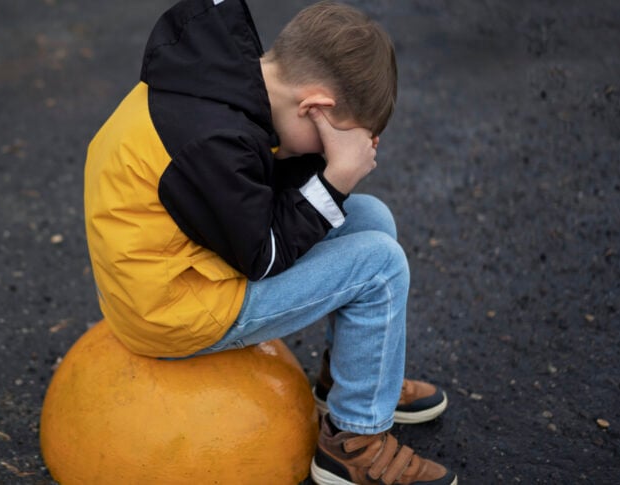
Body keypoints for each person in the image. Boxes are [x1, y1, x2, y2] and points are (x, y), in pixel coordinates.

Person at [83, 0, 457, 483]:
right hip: (169, 308)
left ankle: (351, 382)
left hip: (194, 258)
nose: (324, 154)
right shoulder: (212, 142)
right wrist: (336, 176)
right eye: (326, 141)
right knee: (380, 265)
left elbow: (257, 182)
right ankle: (352, 445)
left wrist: (331, 171)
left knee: (370, 218)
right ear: (316, 108)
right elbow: (265, 254)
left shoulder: (231, 78)